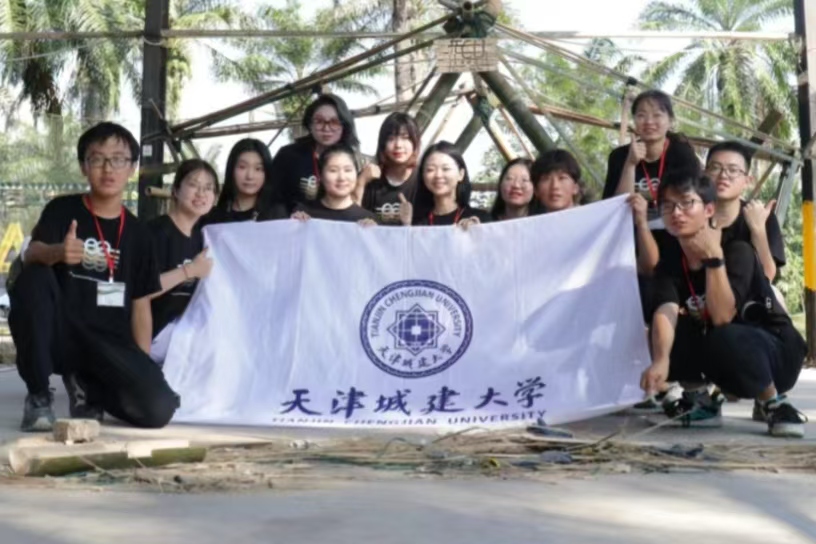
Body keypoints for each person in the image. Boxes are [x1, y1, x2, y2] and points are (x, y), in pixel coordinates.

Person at [7, 122, 178, 432]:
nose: (108, 168)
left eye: (118, 159)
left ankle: (87, 387)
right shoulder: (62, 210)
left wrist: (139, 368)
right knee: (32, 278)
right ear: (84, 166)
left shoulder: (140, 235)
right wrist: (58, 252)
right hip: (62, 331)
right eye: (97, 158)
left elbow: (141, 306)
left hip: (108, 341)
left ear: (132, 168)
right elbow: (30, 254)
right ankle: (39, 395)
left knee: (158, 409)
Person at [640, 169, 807, 438]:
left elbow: (722, 317)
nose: (676, 212)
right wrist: (661, 360)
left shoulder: (738, 251)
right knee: (667, 330)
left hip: (777, 354)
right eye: (668, 205)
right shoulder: (670, 261)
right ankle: (700, 402)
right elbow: (665, 309)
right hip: (726, 354)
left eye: (686, 203)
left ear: (708, 209)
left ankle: (773, 403)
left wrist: (714, 260)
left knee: (726, 333)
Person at [147, 159, 218, 365]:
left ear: (215, 198)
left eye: (208, 188)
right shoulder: (155, 232)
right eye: (193, 185)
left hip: (184, 330)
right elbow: (142, 289)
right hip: (155, 333)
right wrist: (189, 271)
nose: (201, 193)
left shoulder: (202, 239)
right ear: (176, 190)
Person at [706, 140, 785, 283]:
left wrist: (758, 230)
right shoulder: (691, 214)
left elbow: (768, 275)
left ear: (747, 181)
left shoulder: (763, 217)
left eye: (733, 170)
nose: (723, 175)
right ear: (704, 174)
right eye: (715, 168)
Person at [271, 94, 361, 212]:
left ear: (344, 125)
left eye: (334, 122)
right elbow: (272, 198)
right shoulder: (288, 155)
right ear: (310, 124)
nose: (326, 128)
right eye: (319, 121)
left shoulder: (349, 158)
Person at [200, 138, 285, 226]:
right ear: (231, 169)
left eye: (258, 169)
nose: (250, 176)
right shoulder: (212, 216)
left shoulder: (276, 215)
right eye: (242, 167)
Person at [356, 112, 421, 225]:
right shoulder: (370, 178)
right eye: (391, 138)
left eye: (405, 138)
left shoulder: (422, 180)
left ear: (415, 143)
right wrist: (361, 182)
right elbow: (350, 217)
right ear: (383, 144)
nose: (398, 145)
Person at [292, 144, 377, 224]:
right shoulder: (304, 213)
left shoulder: (367, 219)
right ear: (320, 175)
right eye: (333, 170)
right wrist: (294, 224)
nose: (342, 178)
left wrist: (373, 231)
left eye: (348, 170)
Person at [411, 141, 490, 227]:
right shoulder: (416, 222)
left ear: (461, 174)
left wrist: (478, 231)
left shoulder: (479, 220)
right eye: (430, 169)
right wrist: (407, 224)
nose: (438, 175)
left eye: (446, 169)